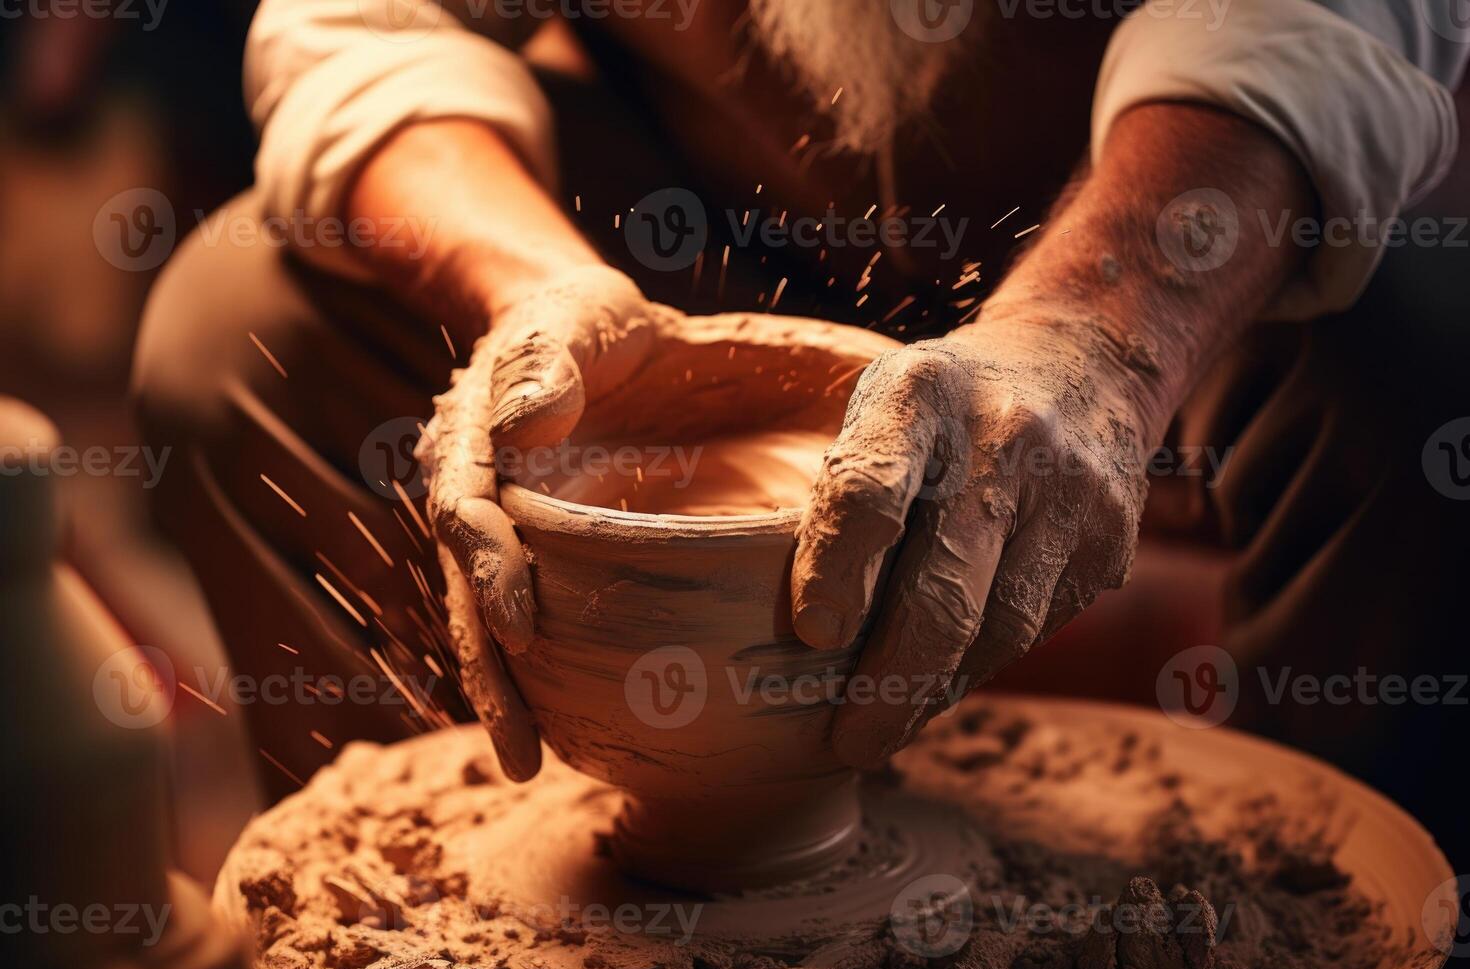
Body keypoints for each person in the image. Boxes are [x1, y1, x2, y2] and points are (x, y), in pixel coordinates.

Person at [133, 0, 1467, 803]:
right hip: (715, 226)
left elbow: (1317, 23)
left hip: (1153, 236)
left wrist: (1096, 335)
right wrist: (535, 292)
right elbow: (367, 28)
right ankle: (462, 886)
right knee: (237, 319)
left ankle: (1320, 883)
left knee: (1429, 350)